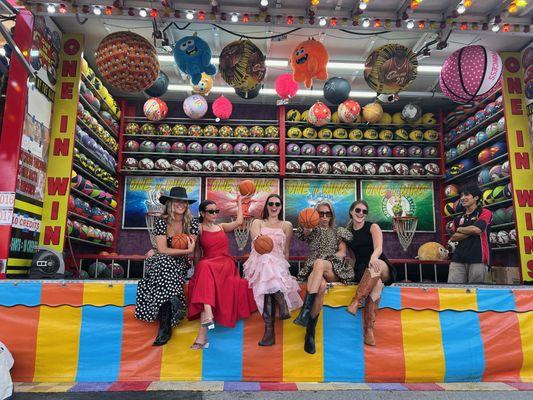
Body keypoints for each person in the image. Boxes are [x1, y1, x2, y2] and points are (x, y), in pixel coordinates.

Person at [187, 196, 257, 349]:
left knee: (205, 268)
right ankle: (206, 321)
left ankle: (204, 330)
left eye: (216, 211)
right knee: (203, 267)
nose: (214, 214)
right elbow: (194, 249)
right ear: (203, 213)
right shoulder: (199, 228)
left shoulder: (221, 227)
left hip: (225, 265)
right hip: (209, 264)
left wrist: (239, 203)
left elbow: (239, 222)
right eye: (210, 211)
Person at [135, 187, 198, 346]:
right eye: (177, 201)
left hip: (179, 264)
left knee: (165, 263)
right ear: (170, 203)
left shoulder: (193, 223)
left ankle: (164, 326)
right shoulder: (161, 222)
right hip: (161, 263)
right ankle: (168, 316)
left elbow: (170, 250)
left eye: (183, 202)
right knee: (163, 261)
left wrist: (185, 251)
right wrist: (186, 250)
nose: (181, 204)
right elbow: (163, 250)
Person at [293, 201, 353, 354]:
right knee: (320, 286)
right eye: (321, 213)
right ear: (316, 214)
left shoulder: (338, 231)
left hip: (333, 268)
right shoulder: (312, 229)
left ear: (332, 215)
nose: (324, 216)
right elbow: (304, 232)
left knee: (319, 263)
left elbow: (342, 252)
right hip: (315, 269)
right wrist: (308, 223)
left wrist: (329, 258)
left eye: (328, 213)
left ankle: (305, 312)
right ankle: (310, 331)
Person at [243, 194, 303, 346]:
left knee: (269, 286)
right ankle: (281, 302)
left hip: (277, 265)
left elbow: (286, 251)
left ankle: (269, 332)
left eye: (277, 204)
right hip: (258, 261)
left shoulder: (286, 225)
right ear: (266, 206)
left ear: (281, 207)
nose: (274, 206)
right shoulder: (257, 222)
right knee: (265, 258)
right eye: (271, 203)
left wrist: (285, 272)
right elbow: (259, 244)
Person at [345, 200, 396, 346]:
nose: (361, 213)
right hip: (362, 268)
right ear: (351, 211)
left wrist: (373, 257)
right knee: (377, 285)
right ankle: (368, 330)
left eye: (364, 211)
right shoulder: (348, 234)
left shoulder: (372, 227)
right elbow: (353, 257)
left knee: (376, 266)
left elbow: (379, 247)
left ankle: (356, 301)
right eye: (358, 210)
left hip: (379, 262)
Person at [447, 184, 492, 284]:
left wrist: (460, 229)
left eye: (466, 195)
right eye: (461, 196)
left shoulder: (485, 212)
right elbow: (453, 237)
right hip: (458, 259)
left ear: (476, 197)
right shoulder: (458, 218)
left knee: (477, 291)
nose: (463, 198)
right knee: (453, 291)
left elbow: (477, 230)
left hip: (478, 258)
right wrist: (471, 230)